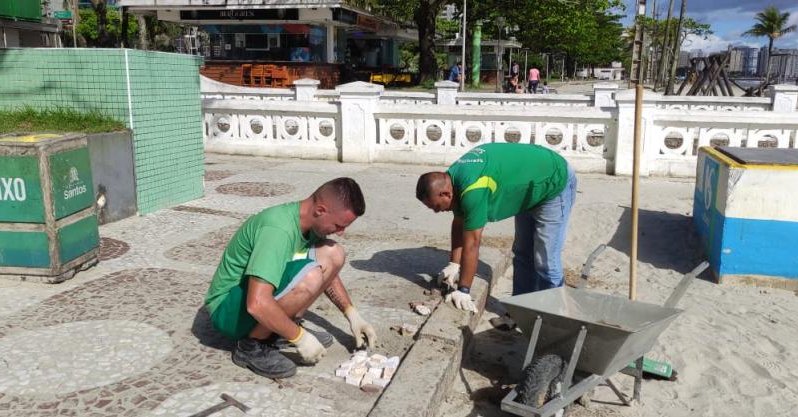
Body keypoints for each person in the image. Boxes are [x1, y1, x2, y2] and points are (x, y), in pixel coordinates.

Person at [205, 178, 377, 378]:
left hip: (246, 305)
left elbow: (328, 273)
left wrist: (352, 315)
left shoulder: (309, 224)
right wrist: (300, 338)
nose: (341, 232)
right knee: (310, 276)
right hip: (227, 311)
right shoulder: (278, 229)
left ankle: (276, 330)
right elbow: (257, 303)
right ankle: (251, 346)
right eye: (339, 225)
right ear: (320, 210)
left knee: (334, 253)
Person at [415, 143, 577, 312]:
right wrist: (454, 264)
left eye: (436, 206)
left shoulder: (473, 189)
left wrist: (464, 290)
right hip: (529, 186)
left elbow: (472, 243)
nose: (436, 211)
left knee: (546, 261)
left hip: (553, 181)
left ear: (446, 194)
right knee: (523, 254)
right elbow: (459, 223)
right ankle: (521, 313)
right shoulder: (452, 181)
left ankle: (555, 319)